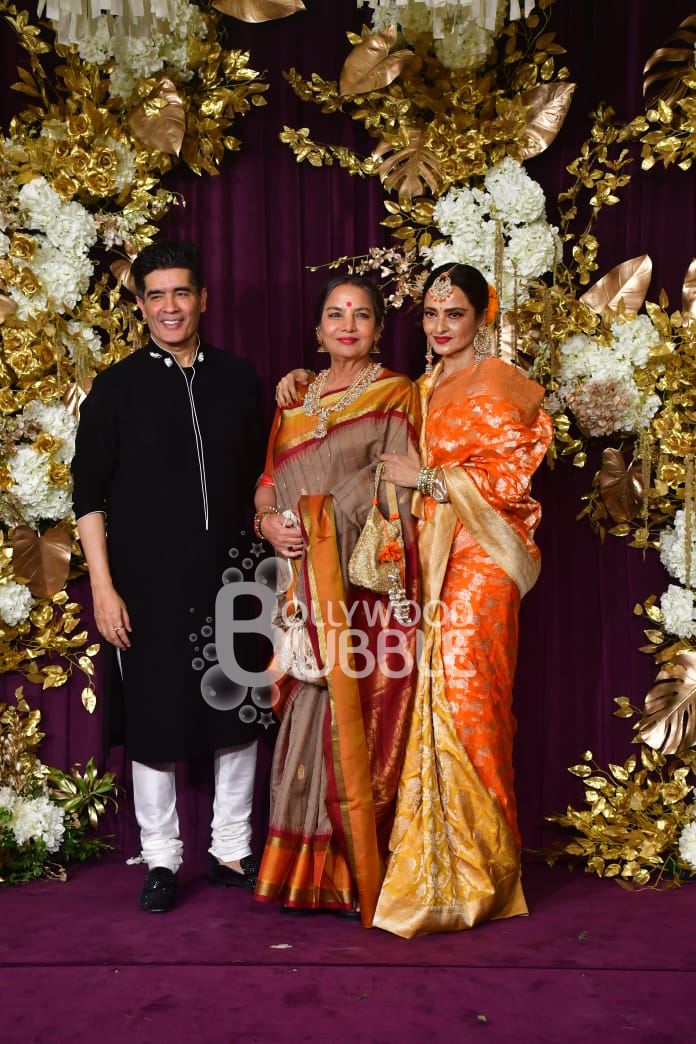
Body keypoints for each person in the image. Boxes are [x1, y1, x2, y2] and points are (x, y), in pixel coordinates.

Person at [276, 263, 552, 937]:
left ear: (482, 317)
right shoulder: (419, 389)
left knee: (469, 700)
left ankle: (482, 876)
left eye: (454, 314)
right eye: (430, 314)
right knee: (422, 699)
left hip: (480, 560)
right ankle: (428, 870)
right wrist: (303, 381)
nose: (440, 326)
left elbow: (510, 480)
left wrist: (427, 476)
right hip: (424, 562)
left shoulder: (500, 382)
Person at [72, 240, 265, 913]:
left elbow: (267, 476)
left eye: (181, 292)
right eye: (156, 296)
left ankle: (231, 849)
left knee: (237, 713)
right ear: (142, 306)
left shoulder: (239, 379)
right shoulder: (116, 388)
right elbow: (88, 497)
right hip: (144, 587)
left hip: (234, 578)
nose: (170, 307)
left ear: (203, 299)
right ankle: (161, 857)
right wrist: (103, 588)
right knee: (153, 720)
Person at [253, 275, 421, 926]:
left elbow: (397, 484)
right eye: (335, 314)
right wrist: (268, 522)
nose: (347, 326)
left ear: (377, 329)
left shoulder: (395, 392)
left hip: (360, 586)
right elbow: (269, 481)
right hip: (299, 582)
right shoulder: (294, 399)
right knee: (305, 709)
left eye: (361, 315)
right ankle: (299, 869)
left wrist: (325, 526)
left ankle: (351, 872)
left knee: (353, 714)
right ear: (318, 329)